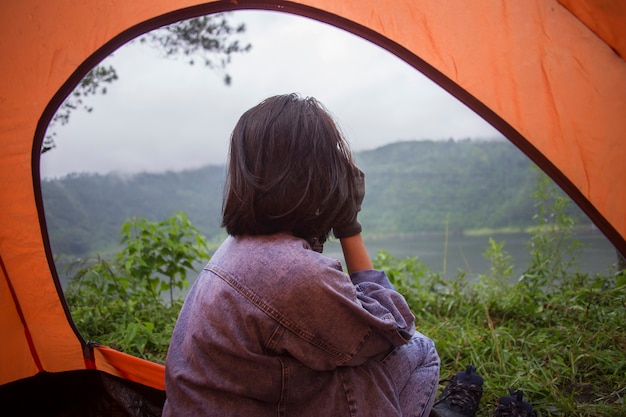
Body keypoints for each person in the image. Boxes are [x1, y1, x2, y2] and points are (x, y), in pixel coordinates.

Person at [162, 93, 440, 417]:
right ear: (311, 174)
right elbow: (393, 328)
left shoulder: (238, 251)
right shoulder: (292, 272)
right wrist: (348, 225)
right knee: (420, 349)